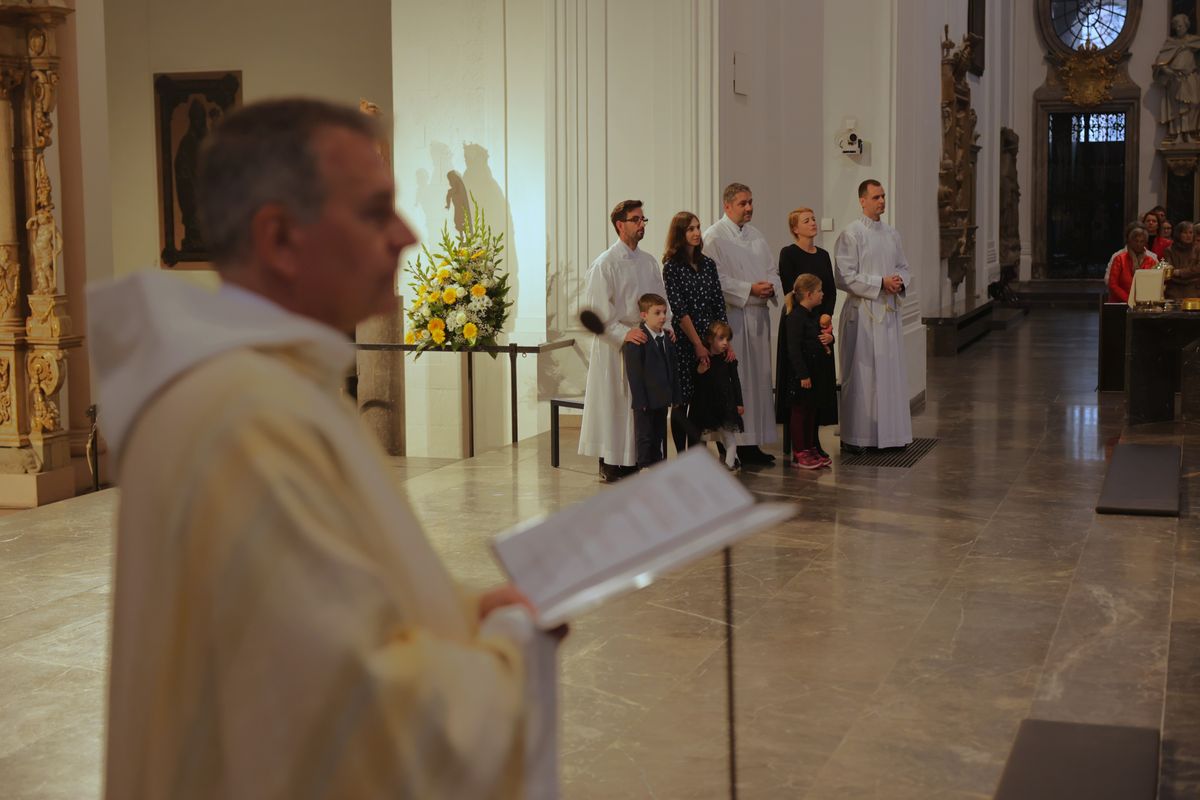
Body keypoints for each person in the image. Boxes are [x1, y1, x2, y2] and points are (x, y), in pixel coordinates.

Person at [90, 99, 555, 799]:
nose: (406, 234)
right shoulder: (245, 418)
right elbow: (353, 714)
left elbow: (332, 596)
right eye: (375, 212)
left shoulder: (274, 385)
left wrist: (467, 613)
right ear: (279, 238)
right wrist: (511, 646)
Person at [579, 200, 673, 482]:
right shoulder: (605, 263)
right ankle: (611, 461)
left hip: (646, 341)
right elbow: (595, 312)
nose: (642, 224)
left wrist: (663, 324)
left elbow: (661, 300)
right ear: (620, 225)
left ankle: (635, 459)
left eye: (644, 219)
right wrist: (623, 333)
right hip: (616, 345)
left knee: (640, 404)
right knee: (615, 403)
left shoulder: (648, 262)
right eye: (636, 220)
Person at [704, 182, 783, 465]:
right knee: (735, 384)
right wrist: (750, 288)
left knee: (759, 380)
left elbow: (773, 271)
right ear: (727, 206)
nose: (749, 208)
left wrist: (771, 287)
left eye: (751, 202)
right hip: (734, 317)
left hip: (758, 318)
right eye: (743, 203)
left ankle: (752, 443)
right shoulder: (713, 238)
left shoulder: (757, 236)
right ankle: (731, 446)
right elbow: (717, 281)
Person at [834, 179, 914, 453]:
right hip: (863, 313)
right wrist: (881, 282)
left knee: (889, 375)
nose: (881, 202)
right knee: (861, 375)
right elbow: (844, 276)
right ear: (862, 201)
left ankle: (890, 435)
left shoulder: (892, 234)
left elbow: (903, 266)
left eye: (883, 197)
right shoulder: (851, 234)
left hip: (888, 313)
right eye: (876, 197)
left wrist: (899, 281)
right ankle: (857, 437)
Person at [661, 211, 730, 454]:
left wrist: (721, 340)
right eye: (690, 229)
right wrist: (696, 344)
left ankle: (699, 454)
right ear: (680, 233)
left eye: (698, 227)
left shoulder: (708, 264)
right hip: (685, 342)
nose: (696, 232)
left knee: (704, 400)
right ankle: (682, 456)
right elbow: (679, 311)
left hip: (710, 340)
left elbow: (718, 302)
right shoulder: (672, 267)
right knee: (682, 401)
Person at [775, 207, 836, 457]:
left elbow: (830, 289)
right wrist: (810, 316)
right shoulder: (788, 253)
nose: (813, 223)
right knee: (801, 388)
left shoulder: (822, 255)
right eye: (806, 220)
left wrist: (827, 315)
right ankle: (798, 443)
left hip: (821, 322)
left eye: (813, 219)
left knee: (820, 384)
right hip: (799, 320)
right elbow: (792, 288)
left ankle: (814, 441)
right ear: (795, 229)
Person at [622, 293, 682, 468]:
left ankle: (659, 464)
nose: (663, 317)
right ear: (644, 315)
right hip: (646, 400)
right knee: (645, 435)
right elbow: (635, 374)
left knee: (660, 433)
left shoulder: (667, 338)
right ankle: (645, 466)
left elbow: (673, 369)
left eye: (664, 312)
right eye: (657, 313)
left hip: (662, 398)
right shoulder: (637, 340)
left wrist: (676, 396)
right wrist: (640, 400)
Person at [783, 273, 835, 470]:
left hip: (814, 373)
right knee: (800, 412)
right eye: (819, 291)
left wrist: (830, 340)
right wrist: (803, 374)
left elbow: (818, 339)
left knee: (811, 410)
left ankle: (810, 446)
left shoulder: (812, 315)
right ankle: (800, 452)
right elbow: (794, 349)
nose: (823, 294)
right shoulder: (795, 317)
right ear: (808, 294)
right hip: (802, 375)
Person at [689, 321, 744, 470]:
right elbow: (697, 381)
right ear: (710, 339)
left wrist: (739, 403)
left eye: (727, 339)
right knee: (716, 435)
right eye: (721, 339)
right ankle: (735, 460)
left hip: (726, 404)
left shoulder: (728, 359)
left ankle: (729, 464)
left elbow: (736, 382)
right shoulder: (703, 359)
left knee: (728, 436)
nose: (725, 343)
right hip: (709, 404)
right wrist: (700, 370)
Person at [1153, 13, 1200, 142]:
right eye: (1176, 26)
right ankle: (1179, 134)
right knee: (1178, 108)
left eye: (1180, 26)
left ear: (1186, 26)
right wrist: (1168, 71)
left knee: (1194, 104)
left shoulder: (1194, 41)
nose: (1178, 28)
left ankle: (1190, 133)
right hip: (1176, 78)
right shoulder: (1171, 43)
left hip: (1190, 76)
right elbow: (1160, 63)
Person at [1107, 222, 1158, 302]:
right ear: (1130, 241)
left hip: (1143, 303)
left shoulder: (1151, 261)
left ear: (1145, 243)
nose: (1138, 244)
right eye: (1136, 241)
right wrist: (1129, 300)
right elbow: (1113, 284)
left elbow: (1154, 284)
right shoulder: (1119, 259)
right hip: (1120, 303)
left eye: (1142, 241)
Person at [1167, 221, 1200, 300]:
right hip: (1174, 290)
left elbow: (1198, 269)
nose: (1188, 235)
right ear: (1179, 234)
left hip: (1194, 290)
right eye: (1185, 233)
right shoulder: (1169, 251)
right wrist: (1189, 274)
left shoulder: (1198, 250)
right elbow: (1169, 271)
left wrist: (1180, 272)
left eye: (1190, 232)